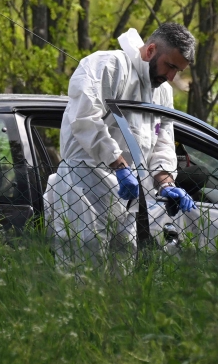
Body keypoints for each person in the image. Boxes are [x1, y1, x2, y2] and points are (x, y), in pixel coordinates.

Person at [45, 22, 198, 261]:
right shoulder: (108, 65)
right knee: (82, 270)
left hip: (130, 197)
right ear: (150, 51)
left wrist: (166, 182)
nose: (170, 77)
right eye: (169, 66)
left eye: (177, 71)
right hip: (84, 184)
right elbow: (84, 117)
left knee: (121, 276)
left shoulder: (162, 92)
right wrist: (118, 164)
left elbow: (163, 142)